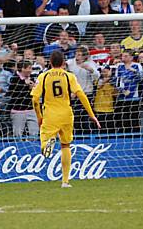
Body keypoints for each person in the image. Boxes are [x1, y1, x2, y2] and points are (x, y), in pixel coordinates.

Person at [31, 50, 101, 188]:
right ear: (63, 63)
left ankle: (48, 143)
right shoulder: (69, 76)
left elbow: (34, 99)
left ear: (50, 62)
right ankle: (65, 181)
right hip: (67, 114)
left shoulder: (43, 76)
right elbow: (81, 94)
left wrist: (39, 116)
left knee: (44, 143)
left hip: (50, 114)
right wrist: (92, 115)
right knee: (65, 145)